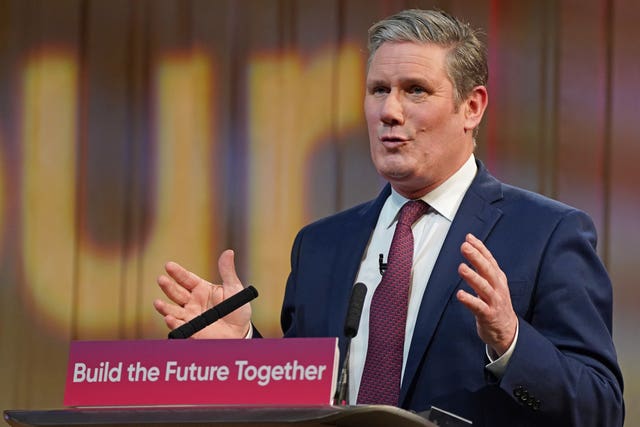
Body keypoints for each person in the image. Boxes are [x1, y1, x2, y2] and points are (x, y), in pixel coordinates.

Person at [153, 9, 624, 426]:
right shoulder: (321, 245)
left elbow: (601, 408)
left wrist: (512, 342)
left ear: (472, 107)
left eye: (415, 91)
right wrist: (242, 353)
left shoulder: (546, 234)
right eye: (379, 90)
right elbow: (303, 402)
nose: (389, 111)